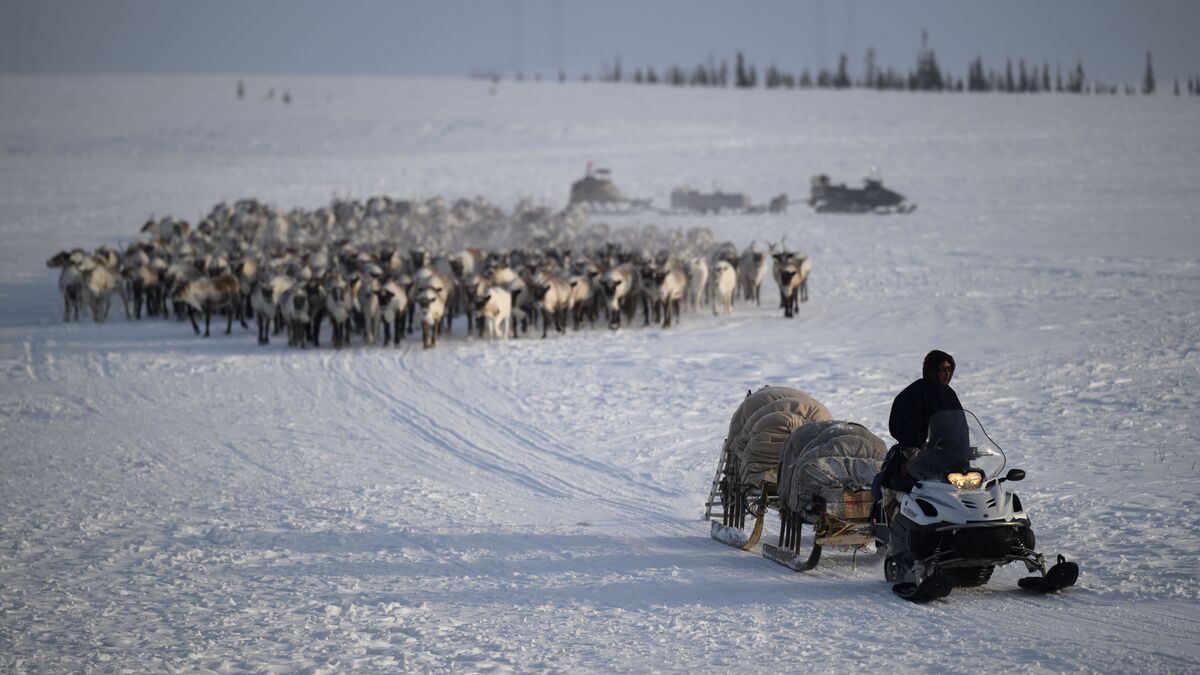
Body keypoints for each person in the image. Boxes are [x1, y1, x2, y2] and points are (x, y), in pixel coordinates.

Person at [873, 350, 963, 506]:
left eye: (950, 370)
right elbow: (903, 424)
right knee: (910, 494)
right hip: (917, 461)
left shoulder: (950, 395)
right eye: (942, 369)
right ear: (932, 370)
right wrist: (913, 449)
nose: (947, 374)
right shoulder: (913, 394)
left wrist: (964, 448)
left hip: (947, 459)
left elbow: (960, 425)